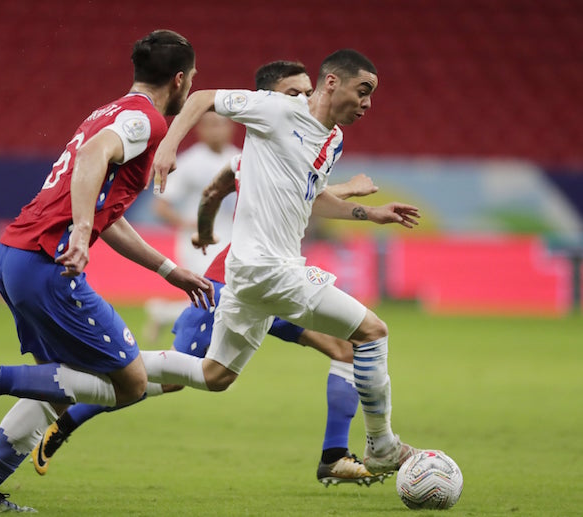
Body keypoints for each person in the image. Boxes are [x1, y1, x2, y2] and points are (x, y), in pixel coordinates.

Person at [30, 62, 391, 487]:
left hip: (272, 278)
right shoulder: (262, 140)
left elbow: (299, 194)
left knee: (347, 349)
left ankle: (333, 456)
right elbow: (215, 191)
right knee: (178, 379)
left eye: (305, 92)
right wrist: (202, 236)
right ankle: (71, 410)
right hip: (232, 281)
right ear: (269, 97)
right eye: (293, 92)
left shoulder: (305, 143)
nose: (301, 99)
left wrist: (356, 201)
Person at [0, 29, 213, 512]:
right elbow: (92, 160)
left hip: (16, 256)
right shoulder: (143, 119)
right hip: (47, 262)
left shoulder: (107, 112)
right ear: (179, 80)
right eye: (192, 79)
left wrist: (168, 270)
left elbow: (110, 214)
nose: (191, 88)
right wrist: (83, 232)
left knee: (61, 383)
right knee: (129, 384)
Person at [141, 48, 422, 476]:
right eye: (362, 91)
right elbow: (202, 99)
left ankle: (106, 363)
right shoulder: (275, 109)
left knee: (215, 374)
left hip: (253, 276)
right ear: (332, 82)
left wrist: (372, 213)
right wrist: (167, 148)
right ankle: (381, 446)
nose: (367, 103)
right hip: (268, 269)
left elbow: (313, 200)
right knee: (371, 333)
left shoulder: (333, 141)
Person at [144, 111, 240, 341]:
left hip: (231, 236)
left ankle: (163, 313)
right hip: (197, 240)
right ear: (201, 130)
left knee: (225, 295)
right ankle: (195, 346)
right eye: (210, 125)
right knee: (214, 292)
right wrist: (189, 223)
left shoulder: (239, 158)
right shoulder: (189, 162)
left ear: (230, 128)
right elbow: (161, 206)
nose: (216, 130)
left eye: (220, 125)